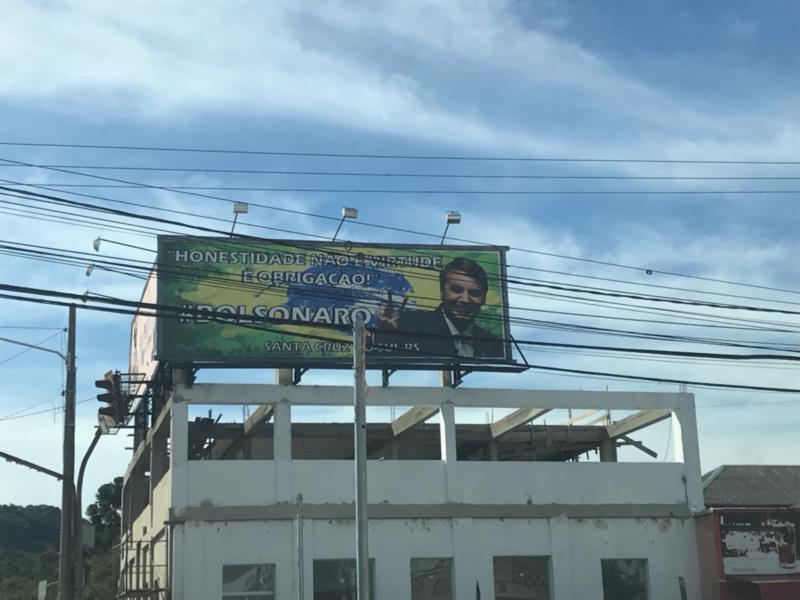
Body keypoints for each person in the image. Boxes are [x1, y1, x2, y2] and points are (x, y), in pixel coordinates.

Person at [375, 258, 504, 359]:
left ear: (484, 297)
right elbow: (378, 351)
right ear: (442, 291)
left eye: (474, 293)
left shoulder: (493, 344)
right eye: (457, 289)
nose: (465, 300)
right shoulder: (412, 325)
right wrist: (386, 332)